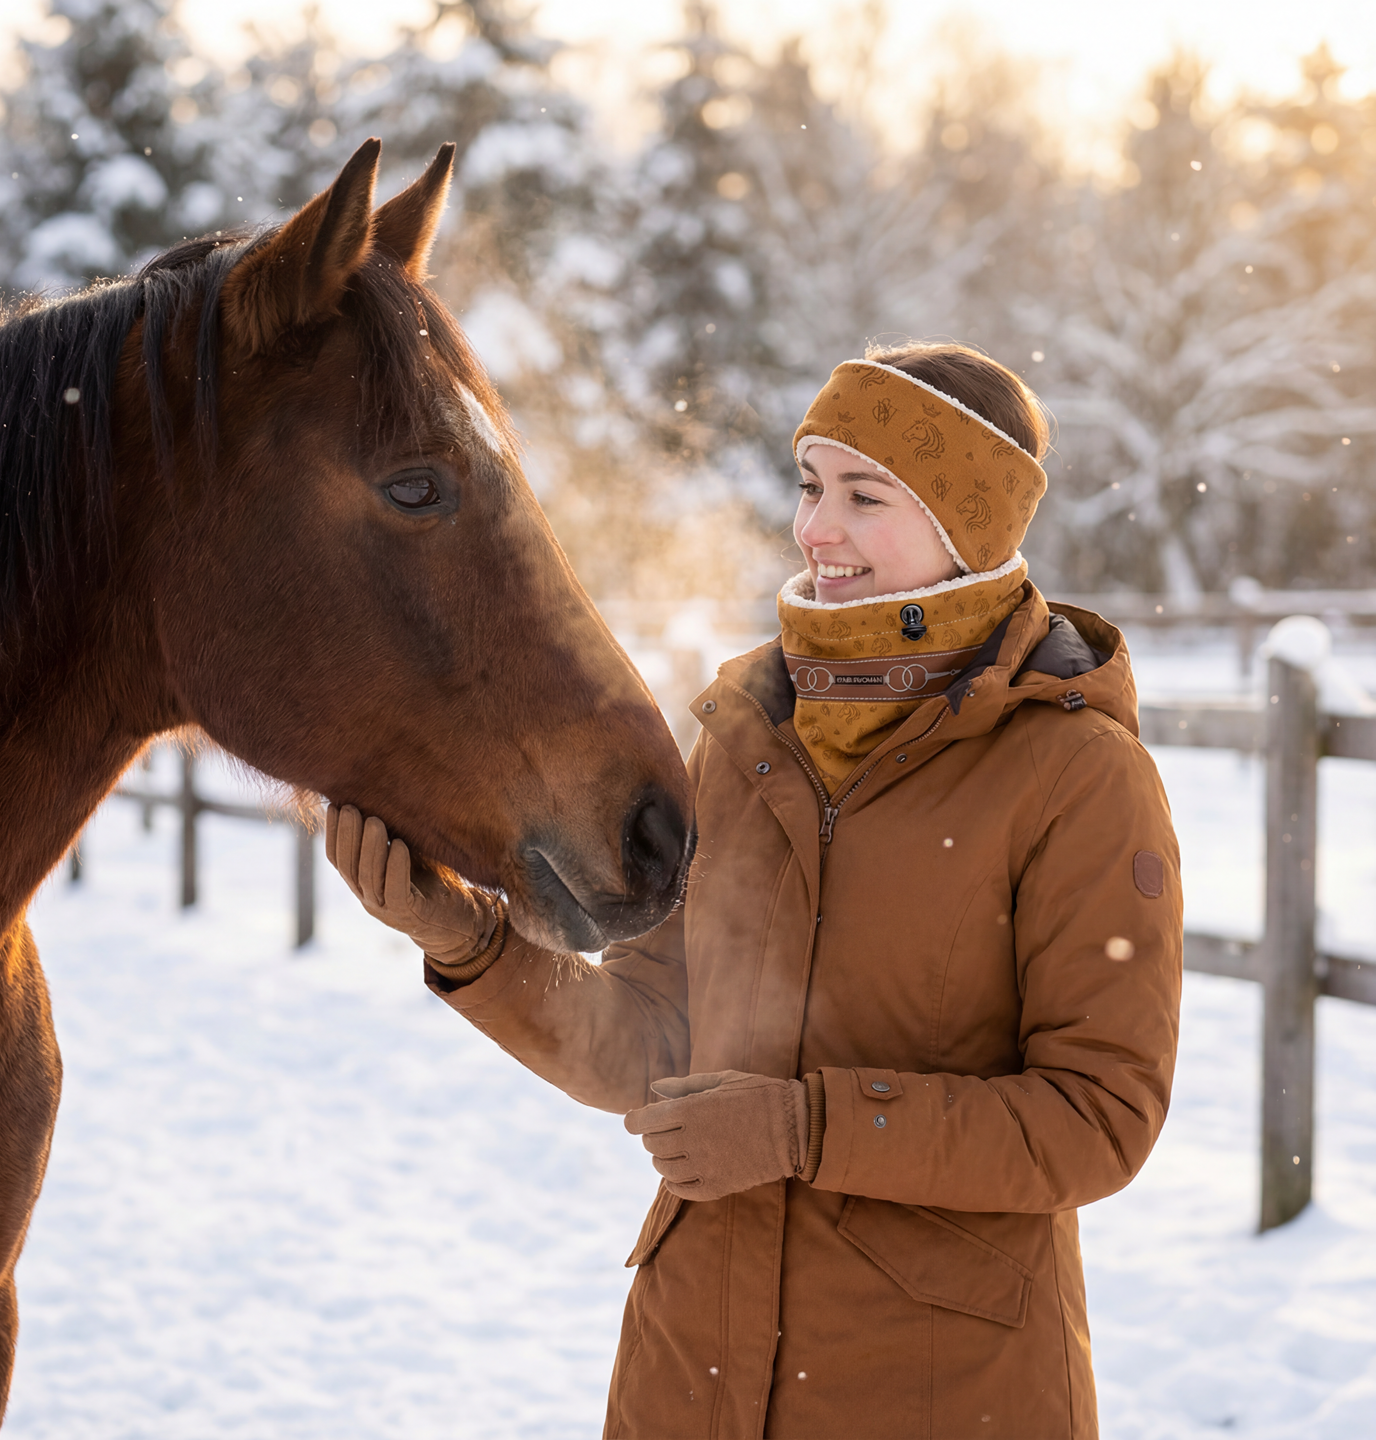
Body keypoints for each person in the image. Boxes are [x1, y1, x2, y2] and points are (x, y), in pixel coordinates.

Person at [328, 341, 1183, 1440]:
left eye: (863, 496)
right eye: (811, 485)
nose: (814, 529)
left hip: (936, 1395)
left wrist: (804, 1130)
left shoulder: (1076, 775)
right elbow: (651, 1045)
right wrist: (470, 944)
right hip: (692, 1373)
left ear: (968, 525)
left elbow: (1098, 1118)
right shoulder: (744, 740)